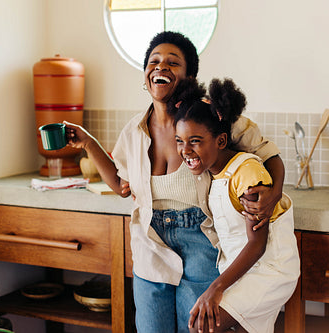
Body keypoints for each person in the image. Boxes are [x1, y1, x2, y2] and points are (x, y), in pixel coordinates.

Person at [64, 31, 286, 332]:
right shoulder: (133, 131)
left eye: (172, 62)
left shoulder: (213, 119)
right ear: (145, 77)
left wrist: (273, 192)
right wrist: (89, 143)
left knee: (195, 327)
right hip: (150, 243)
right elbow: (121, 185)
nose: (161, 66)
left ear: (190, 76)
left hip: (202, 241)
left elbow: (270, 156)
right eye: (153, 61)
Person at [172, 77, 300, 333]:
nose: (185, 150)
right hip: (244, 269)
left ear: (220, 141)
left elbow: (257, 245)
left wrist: (214, 288)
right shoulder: (213, 172)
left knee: (203, 325)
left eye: (195, 141)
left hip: (268, 271)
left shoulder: (247, 174)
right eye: (179, 140)